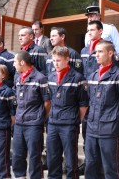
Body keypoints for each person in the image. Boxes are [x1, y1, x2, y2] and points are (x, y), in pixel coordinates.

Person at [85, 40, 119, 179]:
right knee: (90, 166)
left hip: (109, 129)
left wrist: (116, 125)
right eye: (96, 52)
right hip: (92, 128)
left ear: (110, 53)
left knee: (111, 168)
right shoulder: (93, 76)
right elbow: (90, 102)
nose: (96, 55)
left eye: (100, 52)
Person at [46, 46, 88, 179]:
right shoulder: (51, 76)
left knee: (70, 159)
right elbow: (50, 100)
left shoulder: (77, 78)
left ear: (67, 59)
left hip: (69, 124)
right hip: (53, 123)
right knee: (52, 157)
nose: (55, 63)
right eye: (53, 60)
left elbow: (83, 105)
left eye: (58, 60)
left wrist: (75, 120)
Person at [12, 51, 51, 179]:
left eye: (15, 62)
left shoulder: (40, 78)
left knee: (34, 155)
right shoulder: (18, 78)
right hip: (19, 122)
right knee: (18, 154)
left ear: (22, 62)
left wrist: (40, 117)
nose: (13, 65)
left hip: (34, 123)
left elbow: (47, 102)